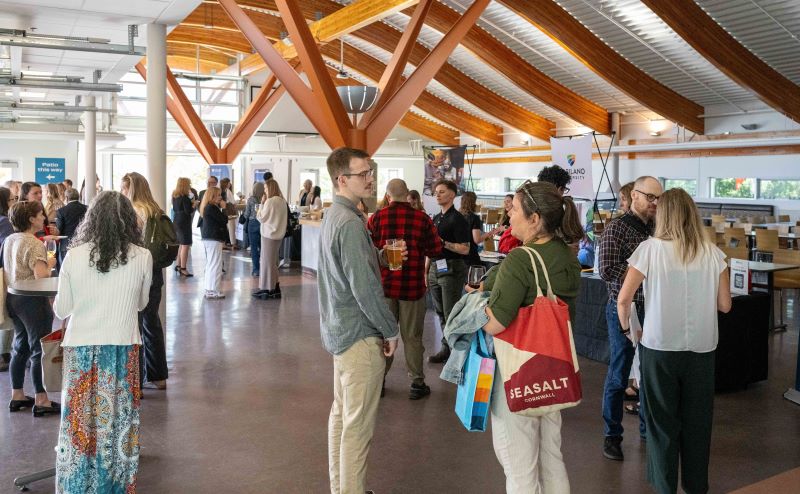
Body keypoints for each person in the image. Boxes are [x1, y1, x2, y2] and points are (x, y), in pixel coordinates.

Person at [617, 188, 731, 494]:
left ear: (663, 214)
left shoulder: (650, 249)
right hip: (702, 349)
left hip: (659, 347)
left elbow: (624, 299)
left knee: (661, 423)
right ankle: (696, 487)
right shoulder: (713, 254)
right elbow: (725, 305)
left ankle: (665, 487)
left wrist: (629, 330)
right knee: (698, 424)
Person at [473, 180, 583, 493]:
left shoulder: (521, 260)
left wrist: (471, 312)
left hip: (517, 372)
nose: (509, 218)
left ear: (535, 219)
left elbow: (495, 323)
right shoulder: (567, 256)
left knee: (518, 463)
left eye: (515, 210)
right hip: (552, 369)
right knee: (551, 456)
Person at [53, 191, 153, 493]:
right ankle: (115, 485)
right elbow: (140, 304)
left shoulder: (74, 255)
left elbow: (62, 309)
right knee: (119, 423)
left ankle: (75, 484)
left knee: (79, 422)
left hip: (81, 347)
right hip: (122, 346)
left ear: (91, 219)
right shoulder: (143, 256)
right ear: (129, 221)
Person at [318, 147, 401, 494]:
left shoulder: (335, 216)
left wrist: (378, 256)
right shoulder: (350, 223)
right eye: (362, 173)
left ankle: (342, 488)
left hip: (340, 332)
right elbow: (364, 288)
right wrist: (391, 328)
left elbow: (349, 270)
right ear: (342, 180)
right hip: (359, 336)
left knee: (342, 417)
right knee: (357, 428)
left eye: (370, 171)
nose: (370, 178)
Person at [598, 175, 663, 461]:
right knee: (619, 372)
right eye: (650, 197)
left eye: (659, 198)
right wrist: (642, 273)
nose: (655, 203)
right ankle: (612, 435)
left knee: (649, 374)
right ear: (634, 196)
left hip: (655, 309)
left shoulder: (659, 227)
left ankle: (649, 431)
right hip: (623, 309)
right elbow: (607, 270)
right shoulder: (617, 229)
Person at [367, 178, 443, 399]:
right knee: (413, 337)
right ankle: (417, 383)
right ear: (408, 194)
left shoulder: (377, 218)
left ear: (388, 196)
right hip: (412, 289)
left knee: (384, 335)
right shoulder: (422, 219)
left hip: (385, 288)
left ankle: (379, 382)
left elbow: (368, 250)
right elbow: (436, 249)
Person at [4, 200, 59, 416]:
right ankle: (41, 399)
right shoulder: (35, 244)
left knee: (20, 346)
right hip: (33, 300)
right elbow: (41, 277)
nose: (44, 218)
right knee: (39, 349)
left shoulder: (10, 239)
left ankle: (17, 395)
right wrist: (50, 265)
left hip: (13, 297)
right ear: (31, 219)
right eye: (40, 215)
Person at [121, 172, 169, 391]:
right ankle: (159, 377)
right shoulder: (156, 210)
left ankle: (136, 381)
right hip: (155, 272)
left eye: (124, 189)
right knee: (152, 323)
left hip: (136, 273)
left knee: (135, 326)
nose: (122, 193)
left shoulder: (132, 212)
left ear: (131, 190)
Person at [427, 179, 471, 364]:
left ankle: (454, 351)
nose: (437, 194)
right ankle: (447, 348)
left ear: (452, 195)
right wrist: (425, 271)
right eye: (436, 191)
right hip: (435, 268)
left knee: (450, 312)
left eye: (442, 191)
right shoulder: (437, 218)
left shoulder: (458, 219)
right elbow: (430, 246)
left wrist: (443, 243)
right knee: (440, 313)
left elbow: (465, 249)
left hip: (452, 268)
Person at [253, 179, 288, 300]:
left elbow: (261, 218)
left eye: (266, 189)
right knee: (273, 263)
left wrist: (261, 205)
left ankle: (266, 289)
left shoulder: (270, 201)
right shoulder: (282, 201)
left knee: (266, 263)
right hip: (278, 235)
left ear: (271, 188)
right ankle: (275, 287)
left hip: (268, 235)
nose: (265, 191)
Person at [199, 186, 228, 299]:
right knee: (216, 264)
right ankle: (213, 290)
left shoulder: (208, 207)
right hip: (213, 238)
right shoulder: (212, 208)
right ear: (212, 196)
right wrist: (224, 208)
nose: (221, 197)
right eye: (219, 195)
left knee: (212, 264)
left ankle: (209, 289)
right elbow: (223, 220)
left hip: (210, 238)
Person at [459, 191, 503, 265]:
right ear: (474, 202)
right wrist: (490, 233)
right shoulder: (474, 218)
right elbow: (477, 240)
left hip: (458, 254)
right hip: (470, 255)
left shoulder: (456, 216)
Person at [0, 187, 16, 372]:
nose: (14, 203)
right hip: (2, 272)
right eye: (12, 200)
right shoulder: (5, 222)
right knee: (5, 315)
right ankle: (4, 354)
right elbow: (7, 248)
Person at [55, 188, 88, 264]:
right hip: (83, 242)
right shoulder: (87, 208)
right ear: (78, 196)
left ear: (66, 198)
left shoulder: (61, 211)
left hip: (66, 244)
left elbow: (59, 229)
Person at [172, 177, 195, 277]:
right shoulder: (185, 198)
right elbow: (188, 211)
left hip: (177, 220)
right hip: (184, 221)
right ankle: (183, 268)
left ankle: (178, 265)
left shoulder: (175, 196)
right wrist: (194, 205)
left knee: (181, 244)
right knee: (186, 245)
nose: (190, 186)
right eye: (189, 184)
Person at [242, 182, 265, 277]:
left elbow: (247, 214)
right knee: (263, 248)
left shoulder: (251, 199)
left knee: (254, 248)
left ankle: (256, 270)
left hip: (252, 224)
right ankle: (265, 269)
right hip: (263, 223)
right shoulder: (265, 199)